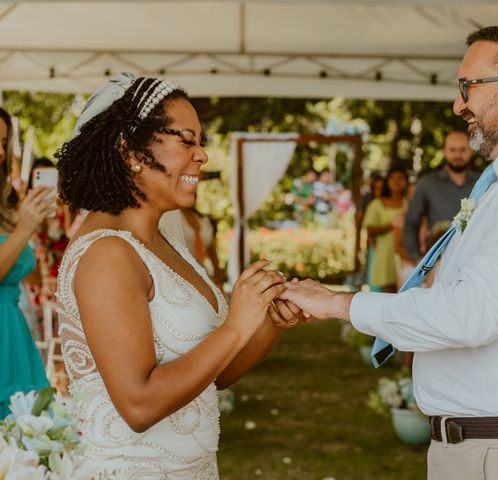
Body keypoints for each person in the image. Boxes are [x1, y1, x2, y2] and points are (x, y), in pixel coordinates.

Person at [281, 24, 498, 479]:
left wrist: (338, 303)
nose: (459, 105)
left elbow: (470, 314)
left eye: (469, 87)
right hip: (493, 450)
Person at [55, 73, 304, 478]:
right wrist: (237, 326)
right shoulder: (106, 253)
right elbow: (139, 405)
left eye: (200, 142)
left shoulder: (165, 244)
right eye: (186, 141)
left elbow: (212, 375)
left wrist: (269, 324)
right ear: (131, 151)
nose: (202, 155)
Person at [0, 106, 57, 417]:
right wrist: (24, 229)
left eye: (3, 142)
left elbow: (25, 273)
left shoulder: (6, 206)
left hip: (15, 336)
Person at [403, 130, 479, 263]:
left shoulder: (484, 182)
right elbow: (411, 223)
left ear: (471, 150)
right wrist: (418, 260)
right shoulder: (427, 183)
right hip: (438, 261)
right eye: (452, 150)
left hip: (476, 259)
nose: (457, 155)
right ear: (444, 151)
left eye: (462, 150)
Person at [362, 166, 408, 292]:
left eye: (400, 178)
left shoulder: (410, 202)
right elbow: (370, 230)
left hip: (407, 254)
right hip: (386, 254)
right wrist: (392, 225)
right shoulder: (377, 204)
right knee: (388, 296)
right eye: (393, 179)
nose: (397, 182)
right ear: (387, 181)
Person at [180, 206, 225, 290]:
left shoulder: (203, 219)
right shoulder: (173, 217)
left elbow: (211, 249)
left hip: (205, 269)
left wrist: (218, 274)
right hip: (185, 271)